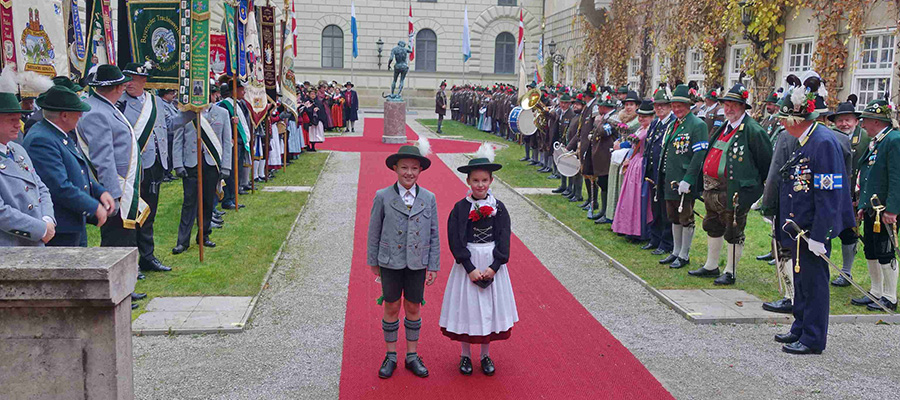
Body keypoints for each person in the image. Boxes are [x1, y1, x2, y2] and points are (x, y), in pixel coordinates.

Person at [773, 86, 855, 355]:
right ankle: (800, 327)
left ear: (796, 120)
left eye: (784, 119)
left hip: (812, 229)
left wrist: (821, 235)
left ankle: (813, 337)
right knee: (801, 281)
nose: (782, 124)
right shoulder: (807, 139)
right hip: (800, 227)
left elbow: (829, 193)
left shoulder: (823, 142)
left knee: (814, 283)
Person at [440, 144, 518, 376]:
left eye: (484, 180)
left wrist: (495, 266)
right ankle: (465, 355)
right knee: (468, 308)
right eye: (475, 180)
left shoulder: (499, 208)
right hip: (469, 263)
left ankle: (485, 354)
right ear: (468, 182)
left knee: (488, 308)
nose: (480, 185)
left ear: (491, 181)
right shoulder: (460, 208)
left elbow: (504, 238)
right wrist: (469, 267)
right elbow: (455, 239)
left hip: (491, 261)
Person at [367, 141, 440, 379]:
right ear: (395, 169)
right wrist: (373, 261)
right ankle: (390, 355)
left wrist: (434, 265)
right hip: (390, 261)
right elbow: (374, 231)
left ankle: (411, 355)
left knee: (413, 306)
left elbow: (434, 233)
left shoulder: (429, 198)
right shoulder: (383, 196)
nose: (409, 172)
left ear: (420, 171)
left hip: (417, 262)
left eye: (414, 168)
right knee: (391, 306)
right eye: (404, 167)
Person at [688, 83, 772, 284]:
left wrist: (751, 190)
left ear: (743, 106)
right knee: (712, 224)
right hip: (712, 189)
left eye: (734, 104)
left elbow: (766, 164)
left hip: (735, 191)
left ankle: (730, 271)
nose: (729, 108)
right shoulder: (724, 126)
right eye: (726, 104)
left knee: (733, 230)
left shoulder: (753, 131)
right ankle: (711, 265)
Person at [24, 85, 115, 247]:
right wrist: (93, 207)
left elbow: (77, 171)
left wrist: (99, 191)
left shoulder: (57, 134)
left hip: (72, 220)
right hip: (60, 226)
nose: (81, 115)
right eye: (77, 111)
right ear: (64, 115)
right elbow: (59, 186)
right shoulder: (42, 140)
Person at [119, 62, 188, 273]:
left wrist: (192, 112)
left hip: (155, 165)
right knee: (131, 215)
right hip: (133, 167)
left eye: (134, 78)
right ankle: (132, 262)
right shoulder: (119, 104)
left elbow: (170, 125)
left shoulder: (155, 102)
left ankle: (147, 257)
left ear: (144, 81)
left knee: (149, 213)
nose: (129, 83)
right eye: (127, 78)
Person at [77, 65, 145, 247]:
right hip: (117, 187)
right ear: (117, 88)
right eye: (122, 85)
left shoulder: (104, 107)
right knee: (118, 241)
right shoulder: (97, 112)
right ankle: (121, 275)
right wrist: (112, 194)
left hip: (123, 185)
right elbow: (103, 158)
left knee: (126, 238)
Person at [172, 87, 233, 254]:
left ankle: (204, 235)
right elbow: (178, 140)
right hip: (191, 163)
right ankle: (182, 241)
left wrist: (226, 166)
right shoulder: (187, 112)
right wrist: (178, 164)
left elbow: (227, 142)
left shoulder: (222, 113)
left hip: (211, 163)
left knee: (207, 202)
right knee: (189, 203)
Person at [853, 99, 899, 311]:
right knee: (870, 249)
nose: (862, 125)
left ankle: (890, 296)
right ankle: (875, 292)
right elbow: (869, 175)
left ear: (876, 121)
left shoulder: (893, 140)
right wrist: (863, 205)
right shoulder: (879, 141)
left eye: (866, 121)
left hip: (885, 209)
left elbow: (896, 177)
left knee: (885, 250)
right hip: (873, 207)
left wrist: (892, 209)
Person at [0, 75, 55, 247]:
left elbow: (41, 188)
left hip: (35, 244)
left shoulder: (18, 150)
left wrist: (47, 219)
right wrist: (40, 229)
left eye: (18, 119)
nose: (18, 125)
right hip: (9, 247)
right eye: (12, 120)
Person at [659, 84, 708, 269]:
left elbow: (699, 155)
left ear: (689, 106)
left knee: (685, 216)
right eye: (674, 105)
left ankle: (684, 254)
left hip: (684, 179)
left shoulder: (698, 125)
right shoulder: (673, 124)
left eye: (681, 105)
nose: (677, 109)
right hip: (670, 177)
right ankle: (675, 251)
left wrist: (688, 179)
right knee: (673, 215)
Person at [824, 101, 868, 286]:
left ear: (856, 121)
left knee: (850, 232)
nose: (844, 124)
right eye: (840, 120)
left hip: (854, 195)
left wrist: (859, 197)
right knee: (829, 230)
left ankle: (847, 272)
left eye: (848, 120)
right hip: (834, 192)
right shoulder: (831, 136)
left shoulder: (865, 139)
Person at [612, 99, 654, 238]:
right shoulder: (641, 128)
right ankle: (627, 227)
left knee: (638, 197)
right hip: (635, 162)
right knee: (629, 196)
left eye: (645, 116)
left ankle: (638, 230)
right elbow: (633, 145)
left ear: (651, 117)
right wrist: (629, 158)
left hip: (642, 163)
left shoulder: (649, 130)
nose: (641, 118)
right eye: (640, 116)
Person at [600, 90, 640, 224]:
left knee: (622, 186)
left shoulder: (638, 120)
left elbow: (636, 137)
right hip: (618, 155)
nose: (628, 107)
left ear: (637, 106)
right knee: (613, 184)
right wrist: (618, 141)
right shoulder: (621, 116)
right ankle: (610, 214)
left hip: (630, 155)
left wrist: (622, 144)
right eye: (627, 104)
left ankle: (621, 218)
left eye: (631, 105)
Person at [643, 86, 675, 255]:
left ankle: (666, 242)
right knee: (655, 208)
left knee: (665, 210)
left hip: (664, 173)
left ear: (670, 106)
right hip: (652, 172)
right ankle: (654, 238)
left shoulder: (672, 123)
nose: (659, 108)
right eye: (657, 105)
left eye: (663, 105)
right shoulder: (655, 123)